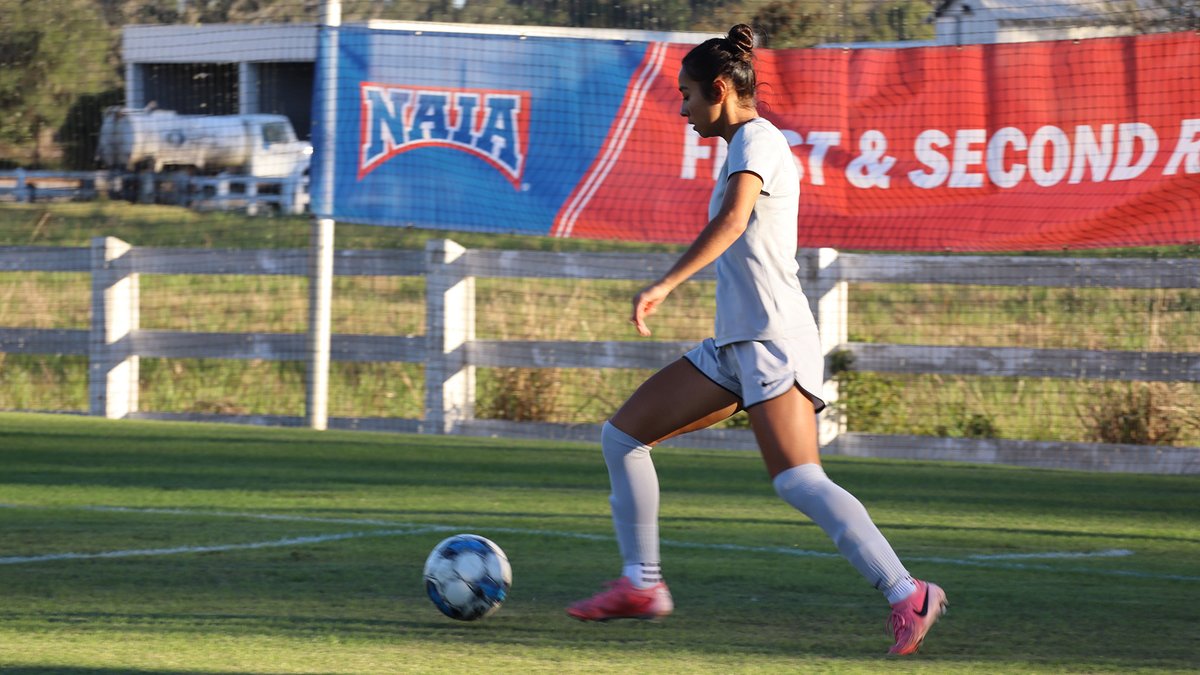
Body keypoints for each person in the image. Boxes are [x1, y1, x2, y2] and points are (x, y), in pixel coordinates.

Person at [565, 24, 947, 656]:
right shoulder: (742, 144)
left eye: (687, 95)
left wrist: (664, 284)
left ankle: (909, 592)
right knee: (623, 437)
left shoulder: (759, 140)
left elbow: (733, 220)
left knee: (799, 481)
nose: (682, 109)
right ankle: (642, 584)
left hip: (772, 341)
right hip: (736, 345)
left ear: (719, 89)